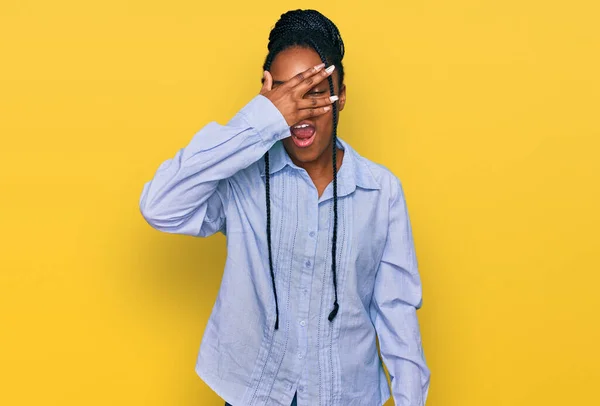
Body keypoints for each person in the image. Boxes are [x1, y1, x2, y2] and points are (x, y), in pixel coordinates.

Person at [139, 9, 430, 406]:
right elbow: (160, 206)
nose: (302, 109)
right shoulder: (243, 177)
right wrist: (262, 118)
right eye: (287, 93)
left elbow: (396, 310)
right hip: (253, 392)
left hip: (347, 394)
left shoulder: (381, 193)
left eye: (315, 90)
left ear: (341, 95)